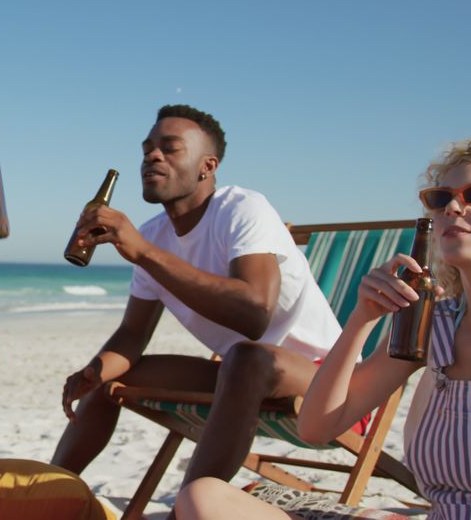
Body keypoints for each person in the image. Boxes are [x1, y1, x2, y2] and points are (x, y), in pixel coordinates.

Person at [175, 136, 471, 519]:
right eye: (441, 199)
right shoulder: (435, 325)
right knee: (205, 496)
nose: (454, 207)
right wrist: (362, 319)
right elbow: (317, 426)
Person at [50, 104, 346, 513]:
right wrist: (95, 370)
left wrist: (144, 253)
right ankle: (44, 496)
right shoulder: (154, 235)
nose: (152, 156)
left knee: (245, 357)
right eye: (147, 149)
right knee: (110, 376)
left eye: (170, 148)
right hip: (240, 379)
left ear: (208, 166)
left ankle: (185, 513)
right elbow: (133, 335)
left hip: (328, 383)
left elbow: (254, 314)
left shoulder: (243, 209)